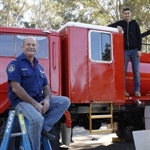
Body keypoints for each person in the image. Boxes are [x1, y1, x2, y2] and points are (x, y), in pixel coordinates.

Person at [6, 36, 70, 150]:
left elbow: (46, 87)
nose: (31, 47)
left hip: (38, 99)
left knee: (65, 101)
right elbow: (16, 88)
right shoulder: (15, 64)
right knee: (37, 119)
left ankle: (44, 128)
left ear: (37, 47)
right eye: (28, 44)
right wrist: (35, 104)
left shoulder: (39, 67)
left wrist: (46, 100)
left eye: (33, 45)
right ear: (23, 47)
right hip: (21, 101)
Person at [108, 6, 142, 97]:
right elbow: (108, 26)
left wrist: (139, 50)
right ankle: (123, 91)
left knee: (136, 71)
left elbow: (139, 37)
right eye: (125, 13)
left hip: (135, 50)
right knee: (123, 71)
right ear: (123, 14)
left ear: (130, 14)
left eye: (128, 13)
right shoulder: (121, 23)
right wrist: (117, 26)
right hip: (125, 51)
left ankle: (137, 90)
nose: (127, 15)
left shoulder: (135, 24)